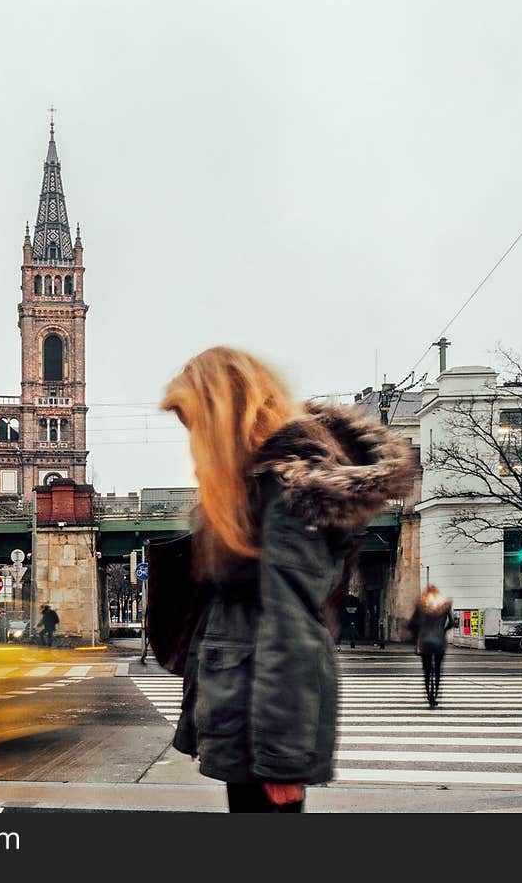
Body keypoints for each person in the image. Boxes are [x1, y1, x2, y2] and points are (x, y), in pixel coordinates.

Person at [161, 347, 414, 813]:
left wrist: (282, 763)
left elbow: (291, 627)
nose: (194, 443)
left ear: (224, 421)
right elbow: (230, 618)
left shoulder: (284, 491)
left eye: (196, 427)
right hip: (246, 720)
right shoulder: (257, 488)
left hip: (263, 734)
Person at [408, 585, 453, 708]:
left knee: (427, 671)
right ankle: (436, 696)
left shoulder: (421, 606)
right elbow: (452, 623)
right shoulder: (445, 606)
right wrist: (442, 631)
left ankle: (429, 696)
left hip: (425, 642)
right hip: (439, 642)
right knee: (438, 670)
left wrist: (419, 632)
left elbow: (412, 623)